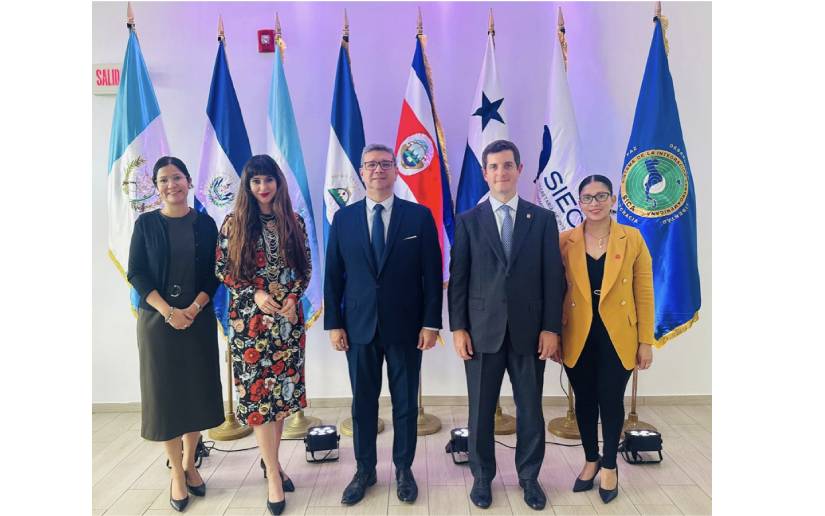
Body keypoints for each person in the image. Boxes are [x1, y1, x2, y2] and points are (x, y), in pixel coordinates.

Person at [448, 140, 565, 511]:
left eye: (508, 165)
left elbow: (553, 278)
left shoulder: (542, 219)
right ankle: (482, 477)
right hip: (481, 333)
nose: (501, 172)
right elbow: (459, 279)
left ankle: (529, 477)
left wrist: (551, 328)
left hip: (531, 333)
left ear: (519, 169)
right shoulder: (468, 221)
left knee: (530, 410)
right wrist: (458, 328)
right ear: (485, 173)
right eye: (494, 167)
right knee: (480, 411)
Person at [324, 143, 442, 506]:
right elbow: (333, 276)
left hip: (407, 328)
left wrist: (431, 323)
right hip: (358, 328)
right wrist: (334, 324)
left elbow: (432, 275)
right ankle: (365, 470)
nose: (378, 170)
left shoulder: (418, 217)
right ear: (361, 171)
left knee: (405, 404)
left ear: (396, 170)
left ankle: (404, 469)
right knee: (363, 404)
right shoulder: (343, 219)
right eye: (371, 164)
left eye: (385, 164)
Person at [215, 155, 311, 516]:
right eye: (255, 181)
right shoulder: (234, 223)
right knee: (259, 401)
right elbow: (222, 269)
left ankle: (272, 462)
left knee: (281, 397)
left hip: (287, 324)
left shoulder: (294, 221)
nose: (262, 187)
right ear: (247, 185)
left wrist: (293, 298)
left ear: (278, 182)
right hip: (250, 326)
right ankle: (273, 473)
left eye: (268, 180)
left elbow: (305, 267)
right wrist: (253, 293)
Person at [127, 156, 224, 512]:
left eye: (178, 177)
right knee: (166, 397)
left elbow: (214, 274)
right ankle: (177, 475)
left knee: (196, 392)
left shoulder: (206, 224)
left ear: (189, 182)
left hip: (197, 319)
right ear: (156, 186)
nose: (172, 185)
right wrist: (168, 311)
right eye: (164, 180)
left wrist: (193, 309)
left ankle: (189, 462)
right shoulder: (146, 224)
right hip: (157, 323)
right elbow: (136, 273)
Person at [558, 174, 654, 504]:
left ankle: (610, 465)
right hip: (578, 333)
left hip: (619, 334)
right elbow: (555, 290)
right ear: (579, 203)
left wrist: (646, 341)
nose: (595, 203)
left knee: (611, 399)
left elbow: (644, 292)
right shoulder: (565, 240)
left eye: (601, 196)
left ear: (613, 200)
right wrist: (554, 333)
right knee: (584, 400)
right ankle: (591, 459)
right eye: (587, 197)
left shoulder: (633, 238)